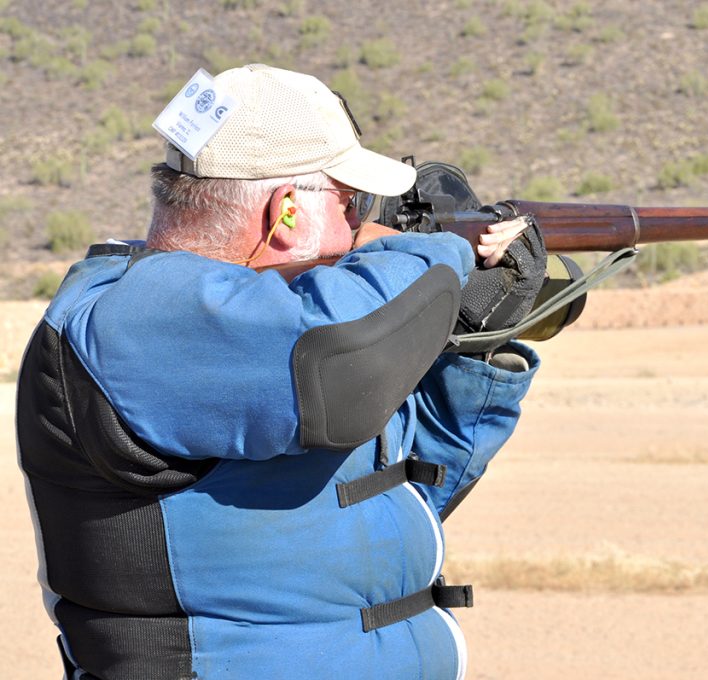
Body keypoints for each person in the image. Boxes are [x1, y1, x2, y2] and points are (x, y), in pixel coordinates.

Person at [16, 64, 543, 679]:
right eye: (351, 202)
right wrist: (444, 249)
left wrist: (479, 346)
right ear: (286, 210)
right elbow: (341, 362)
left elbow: (396, 502)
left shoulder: (263, 333)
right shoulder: (133, 317)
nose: (361, 222)